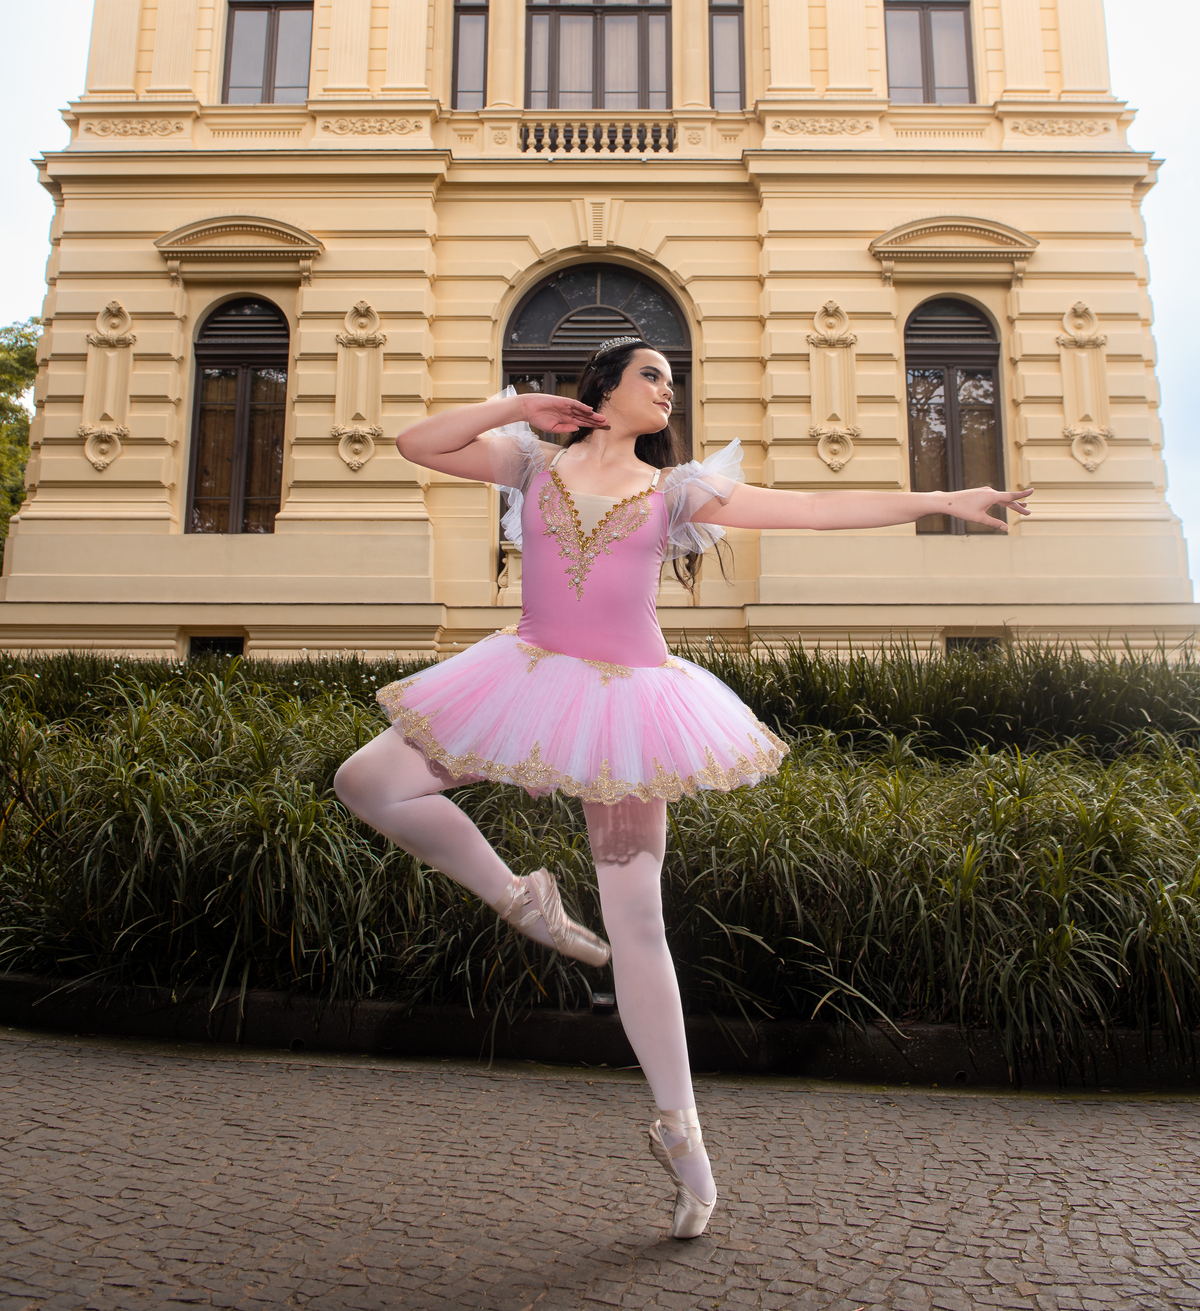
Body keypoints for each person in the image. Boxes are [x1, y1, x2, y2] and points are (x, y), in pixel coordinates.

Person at [334, 335, 1031, 1238]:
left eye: (673, 380)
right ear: (605, 387)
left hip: (629, 709)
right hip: (524, 678)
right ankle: (522, 900)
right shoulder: (530, 462)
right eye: (651, 376)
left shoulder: (677, 491)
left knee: (637, 927)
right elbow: (415, 444)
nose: (668, 390)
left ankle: (682, 1136)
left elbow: (813, 510)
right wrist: (517, 407)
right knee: (367, 780)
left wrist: (941, 499)